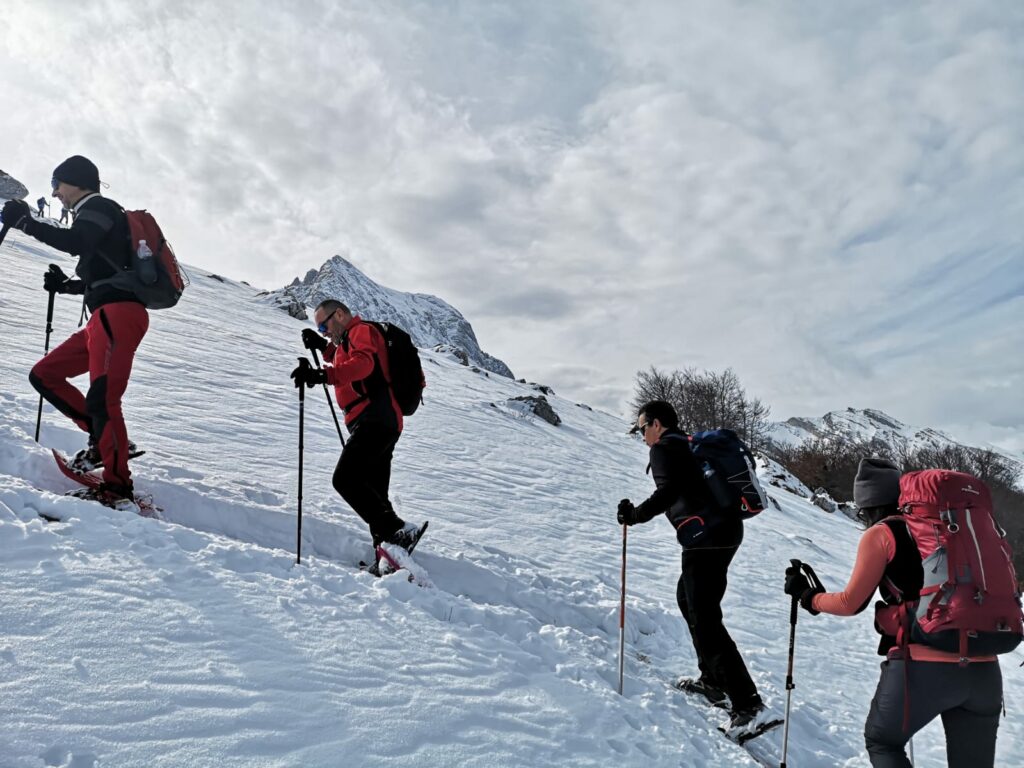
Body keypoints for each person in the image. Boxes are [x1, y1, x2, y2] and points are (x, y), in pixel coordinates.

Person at [784, 457, 1003, 767]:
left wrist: (809, 597)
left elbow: (850, 603)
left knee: (883, 743)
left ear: (870, 504)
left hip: (923, 667)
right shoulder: (951, 529)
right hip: (985, 670)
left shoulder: (883, 533)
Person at [1, 155, 145, 504]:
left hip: (117, 316)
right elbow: (109, 275)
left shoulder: (99, 207)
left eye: (57, 185)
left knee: (104, 399)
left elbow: (76, 243)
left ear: (77, 181)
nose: (55, 194)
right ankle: (102, 439)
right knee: (45, 374)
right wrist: (67, 287)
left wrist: (25, 223)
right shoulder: (100, 215)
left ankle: (117, 488)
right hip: (106, 315)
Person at [617, 400, 765, 730]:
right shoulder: (686, 445)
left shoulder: (664, 449)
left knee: (705, 616)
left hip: (706, 538)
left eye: (643, 428)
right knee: (689, 600)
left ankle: (748, 703)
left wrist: (635, 515)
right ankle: (712, 680)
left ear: (657, 424)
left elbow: (668, 492)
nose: (642, 435)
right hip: (723, 532)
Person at [291, 300, 424, 569]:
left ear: (339, 314)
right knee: (375, 492)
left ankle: (399, 531)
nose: (323, 330)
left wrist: (322, 375)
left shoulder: (361, 331)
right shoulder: (348, 340)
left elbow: (363, 366)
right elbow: (349, 358)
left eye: (323, 325)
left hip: (375, 417)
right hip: (380, 420)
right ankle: (390, 559)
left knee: (346, 478)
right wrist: (324, 348)